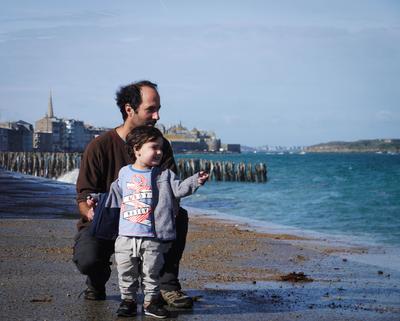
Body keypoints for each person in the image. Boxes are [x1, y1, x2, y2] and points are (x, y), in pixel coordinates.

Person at [72, 80, 194, 308]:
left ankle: (168, 285)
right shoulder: (99, 147)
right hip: (109, 220)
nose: (157, 116)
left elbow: (171, 190)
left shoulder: (161, 145)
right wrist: (90, 209)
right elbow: (83, 196)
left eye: (158, 109)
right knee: (88, 259)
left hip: (149, 221)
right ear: (130, 110)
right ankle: (96, 281)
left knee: (180, 215)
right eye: (151, 109)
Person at [104, 126, 208, 318]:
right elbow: (113, 196)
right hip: (126, 236)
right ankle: (127, 301)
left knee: (151, 273)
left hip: (153, 236)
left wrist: (196, 181)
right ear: (137, 149)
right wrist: (93, 201)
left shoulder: (165, 175)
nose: (159, 152)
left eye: (161, 148)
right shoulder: (124, 173)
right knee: (126, 272)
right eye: (154, 147)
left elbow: (180, 189)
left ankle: (150, 303)